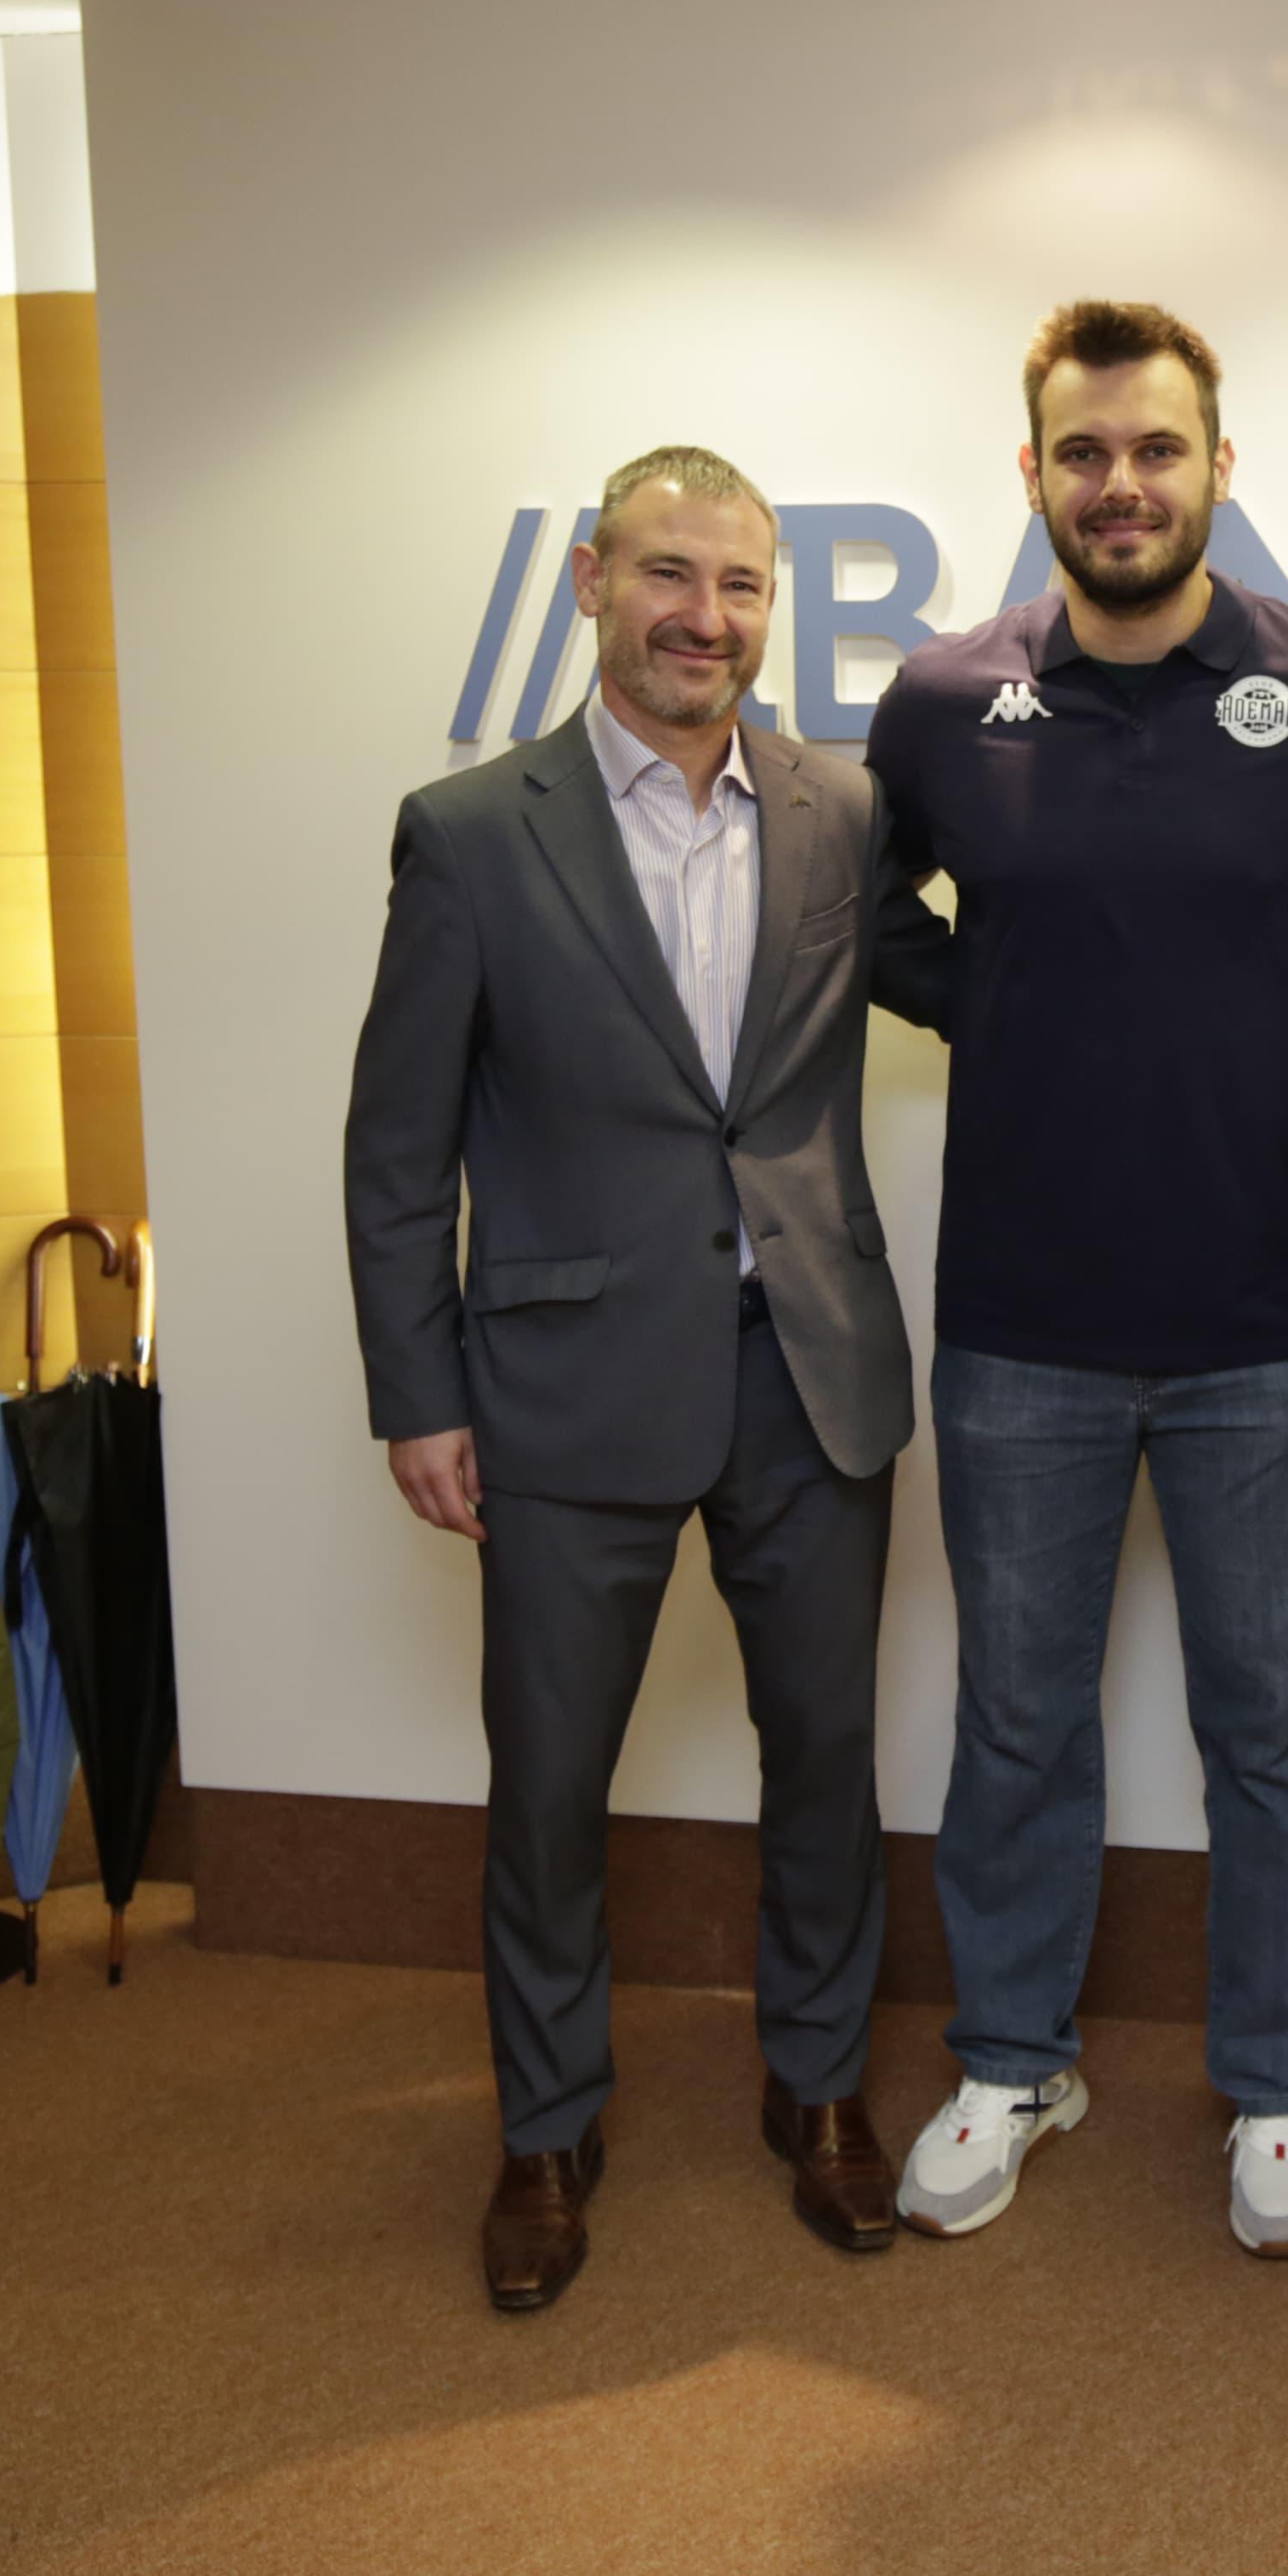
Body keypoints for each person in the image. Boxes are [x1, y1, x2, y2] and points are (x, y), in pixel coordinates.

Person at [865, 302, 1288, 2254]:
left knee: (1269, 1728)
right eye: (1083, 453)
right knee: (1016, 1721)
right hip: (1020, 1324)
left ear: (1220, 464)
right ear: (1029, 473)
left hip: (1270, 1328)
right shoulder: (944, 702)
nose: (1121, 485)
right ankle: (1015, 2055)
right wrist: (1019, 1013)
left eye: (1157, 450)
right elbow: (880, 927)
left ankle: (1279, 2088)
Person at [345, 445, 917, 2312]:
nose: (706, 619)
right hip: (563, 1384)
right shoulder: (472, 831)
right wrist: (415, 1392)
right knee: (551, 1782)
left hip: (807, 1371)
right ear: (590, 579)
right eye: (668, 574)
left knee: (826, 1761)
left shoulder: (843, 809)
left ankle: (821, 2087)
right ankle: (545, 2120)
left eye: (740, 586)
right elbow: (395, 1146)